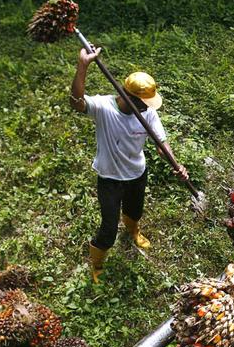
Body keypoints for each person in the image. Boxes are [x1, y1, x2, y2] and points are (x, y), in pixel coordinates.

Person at [69, 46, 188, 283]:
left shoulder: (148, 113)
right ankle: (97, 263)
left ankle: (134, 232)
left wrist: (177, 165)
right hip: (110, 179)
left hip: (136, 173)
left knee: (135, 211)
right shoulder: (104, 108)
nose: (148, 107)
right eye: (143, 102)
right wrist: (83, 65)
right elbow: (76, 103)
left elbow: (161, 143)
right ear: (127, 97)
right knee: (108, 228)